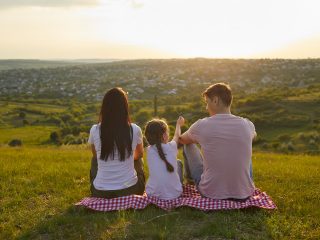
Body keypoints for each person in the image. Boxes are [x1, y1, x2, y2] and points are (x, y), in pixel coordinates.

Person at [179, 83, 256, 200]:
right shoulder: (247, 124)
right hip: (244, 194)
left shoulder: (202, 125)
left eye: (207, 102)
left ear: (215, 101)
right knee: (242, 148)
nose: (206, 107)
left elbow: (182, 139)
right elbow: (253, 136)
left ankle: (190, 181)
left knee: (188, 145)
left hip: (210, 193)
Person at [88, 87, 145, 198]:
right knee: (138, 159)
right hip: (130, 190)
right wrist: (125, 158)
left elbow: (96, 155)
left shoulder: (95, 129)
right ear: (125, 107)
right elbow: (139, 154)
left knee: (95, 160)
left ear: (104, 108)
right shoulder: (135, 129)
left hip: (100, 192)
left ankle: (101, 183)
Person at [144, 117, 184, 200]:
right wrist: (178, 125)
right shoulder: (172, 146)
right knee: (178, 163)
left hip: (152, 194)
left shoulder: (148, 150)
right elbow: (177, 135)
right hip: (175, 194)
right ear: (164, 135)